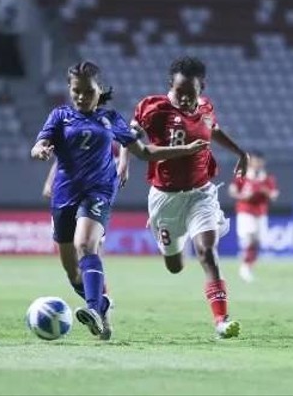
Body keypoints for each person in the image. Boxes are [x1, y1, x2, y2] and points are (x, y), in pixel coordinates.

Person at [31, 61, 208, 340]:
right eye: (76, 91)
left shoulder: (111, 119)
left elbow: (145, 152)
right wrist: (40, 150)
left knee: (86, 245)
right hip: (64, 194)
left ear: (99, 90)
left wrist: (183, 149)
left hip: (98, 191)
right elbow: (39, 144)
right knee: (71, 271)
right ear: (70, 89)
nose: (81, 97)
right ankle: (102, 304)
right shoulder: (59, 116)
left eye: (88, 91)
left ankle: (92, 309)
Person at [129, 56, 249, 338]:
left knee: (207, 251)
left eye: (190, 93)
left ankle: (221, 321)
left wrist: (240, 152)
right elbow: (130, 139)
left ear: (201, 88)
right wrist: (123, 162)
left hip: (201, 193)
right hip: (165, 198)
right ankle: (168, 240)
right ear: (171, 85)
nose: (184, 98)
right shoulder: (154, 108)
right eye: (179, 92)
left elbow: (213, 130)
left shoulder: (206, 107)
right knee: (174, 266)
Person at [228, 150, 279, 283]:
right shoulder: (243, 175)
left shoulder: (267, 178)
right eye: (254, 161)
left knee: (257, 241)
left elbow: (274, 195)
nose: (256, 164)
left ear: (263, 163)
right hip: (245, 211)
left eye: (259, 161)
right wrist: (243, 196)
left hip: (261, 213)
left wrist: (265, 192)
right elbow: (232, 190)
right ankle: (244, 267)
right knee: (249, 238)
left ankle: (247, 266)